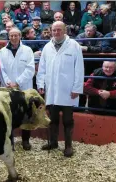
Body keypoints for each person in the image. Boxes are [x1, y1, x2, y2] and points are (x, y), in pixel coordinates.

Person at [36, 21, 84, 157]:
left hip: (68, 91)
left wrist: (77, 88)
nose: (56, 32)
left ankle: (68, 146)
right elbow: (42, 68)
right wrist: (40, 85)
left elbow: (79, 69)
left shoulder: (74, 46)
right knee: (53, 118)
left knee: (68, 120)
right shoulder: (47, 47)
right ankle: (53, 142)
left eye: (59, 30)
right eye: (54, 30)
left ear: (65, 31)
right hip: (51, 90)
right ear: (51, 31)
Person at [0, 27, 35, 151]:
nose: (13, 38)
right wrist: (9, 82)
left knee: (26, 114)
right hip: (9, 87)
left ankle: (25, 141)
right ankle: (10, 142)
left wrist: (18, 82)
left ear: (20, 36)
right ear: (9, 36)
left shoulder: (28, 50)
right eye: (11, 35)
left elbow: (30, 69)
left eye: (16, 35)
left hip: (24, 87)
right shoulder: (3, 51)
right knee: (9, 115)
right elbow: (1, 69)